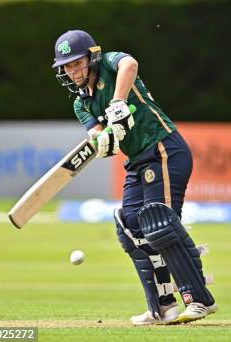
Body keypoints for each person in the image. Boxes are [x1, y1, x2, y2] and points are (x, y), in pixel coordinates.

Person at [51, 30, 217, 325]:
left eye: (77, 63)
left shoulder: (111, 65)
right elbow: (102, 138)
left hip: (164, 149)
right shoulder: (81, 104)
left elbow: (131, 64)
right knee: (129, 226)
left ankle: (199, 298)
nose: (72, 70)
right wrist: (104, 141)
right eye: (67, 66)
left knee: (159, 222)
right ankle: (163, 306)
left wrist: (117, 102)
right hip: (137, 162)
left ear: (92, 58)